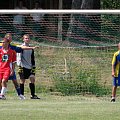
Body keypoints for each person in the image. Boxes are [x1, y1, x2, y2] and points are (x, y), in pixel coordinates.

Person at [0, 33, 38, 99]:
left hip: (9, 68)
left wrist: (32, 48)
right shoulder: (1, 46)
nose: (10, 39)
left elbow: (21, 48)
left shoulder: (12, 47)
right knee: (1, 81)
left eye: (11, 37)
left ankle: (20, 94)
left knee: (15, 82)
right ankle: (2, 94)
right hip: (2, 68)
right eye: (8, 37)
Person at [17, 34, 40, 99]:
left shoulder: (31, 48)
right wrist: (19, 65)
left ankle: (33, 95)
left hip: (30, 66)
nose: (27, 39)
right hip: (22, 66)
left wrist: (33, 66)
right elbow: (20, 55)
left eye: (28, 38)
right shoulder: (20, 47)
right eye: (26, 38)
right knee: (22, 81)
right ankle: (21, 95)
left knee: (32, 79)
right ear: (23, 39)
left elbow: (32, 58)